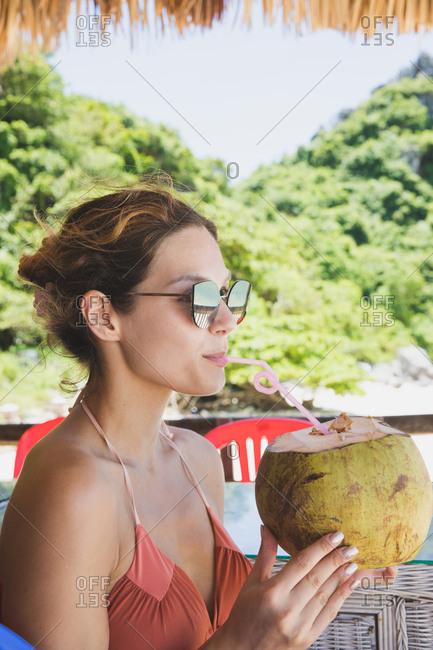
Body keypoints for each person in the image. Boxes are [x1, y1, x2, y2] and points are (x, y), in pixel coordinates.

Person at [0, 175, 397, 649]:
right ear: (104, 315)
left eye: (230, 295)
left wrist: (337, 564)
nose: (228, 322)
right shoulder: (73, 488)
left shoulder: (198, 458)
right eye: (199, 299)